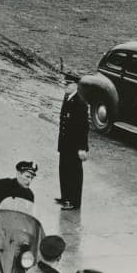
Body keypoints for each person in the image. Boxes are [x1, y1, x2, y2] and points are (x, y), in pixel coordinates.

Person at [57, 78, 89, 211]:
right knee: (63, 170)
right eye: (65, 83)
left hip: (75, 146)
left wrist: (82, 148)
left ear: (75, 85)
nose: (65, 86)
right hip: (65, 144)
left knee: (73, 173)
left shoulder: (80, 103)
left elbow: (83, 127)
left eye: (68, 84)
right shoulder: (67, 98)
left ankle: (73, 201)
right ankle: (65, 197)